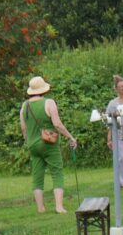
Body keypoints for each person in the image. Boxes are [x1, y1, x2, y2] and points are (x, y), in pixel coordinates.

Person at [19, 76, 78, 214]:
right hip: (49, 143)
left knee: (37, 176)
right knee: (57, 172)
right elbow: (57, 124)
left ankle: (41, 208)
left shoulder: (24, 106)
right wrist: (70, 137)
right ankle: (59, 206)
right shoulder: (49, 102)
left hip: (33, 145)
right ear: (44, 89)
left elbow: (23, 128)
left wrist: (28, 141)